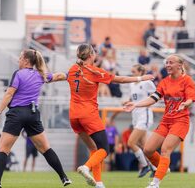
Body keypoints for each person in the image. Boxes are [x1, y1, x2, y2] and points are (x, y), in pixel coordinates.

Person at [66, 43, 154, 188]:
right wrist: (140, 78)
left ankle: (99, 183)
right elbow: (120, 79)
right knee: (105, 149)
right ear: (91, 55)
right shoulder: (95, 72)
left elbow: (63, 76)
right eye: (94, 53)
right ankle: (86, 167)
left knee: (94, 150)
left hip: (73, 116)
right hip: (88, 115)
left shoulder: (73, 69)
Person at [0, 49, 71, 188]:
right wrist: (71, 74)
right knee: (45, 148)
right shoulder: (40, 74)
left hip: (17, 113)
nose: (18, 60)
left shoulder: (19, 74)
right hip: (33, 114)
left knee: (3, 149)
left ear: (26, 61)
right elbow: (57, 76)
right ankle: (64, 177)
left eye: (20, 58)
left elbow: (9, 94)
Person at [124, 54, 195, 188]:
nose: (167, 65)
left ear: (179, 66)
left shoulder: (187, 80)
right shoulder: (164, 82)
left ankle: (155, 183)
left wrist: (186, 104)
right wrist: (135, 104)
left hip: (180, 121)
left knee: (165, 150)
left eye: (171, 62)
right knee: (148, 150)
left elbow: (191, 99)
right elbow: (153, 98)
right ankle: (163, 168)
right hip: (166, 121)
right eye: (166, 62)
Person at [124, 64, 156, 178]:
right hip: (135, 115)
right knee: (144, 145)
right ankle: (155, 168)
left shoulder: (146, 82)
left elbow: (157, 94)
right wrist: (126, 102)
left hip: (144, 115)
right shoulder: (132, 84)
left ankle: (144, 165)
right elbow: (133, 99)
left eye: (134, 72)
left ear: (140, 72)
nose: (132, 74)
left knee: (131, 142)